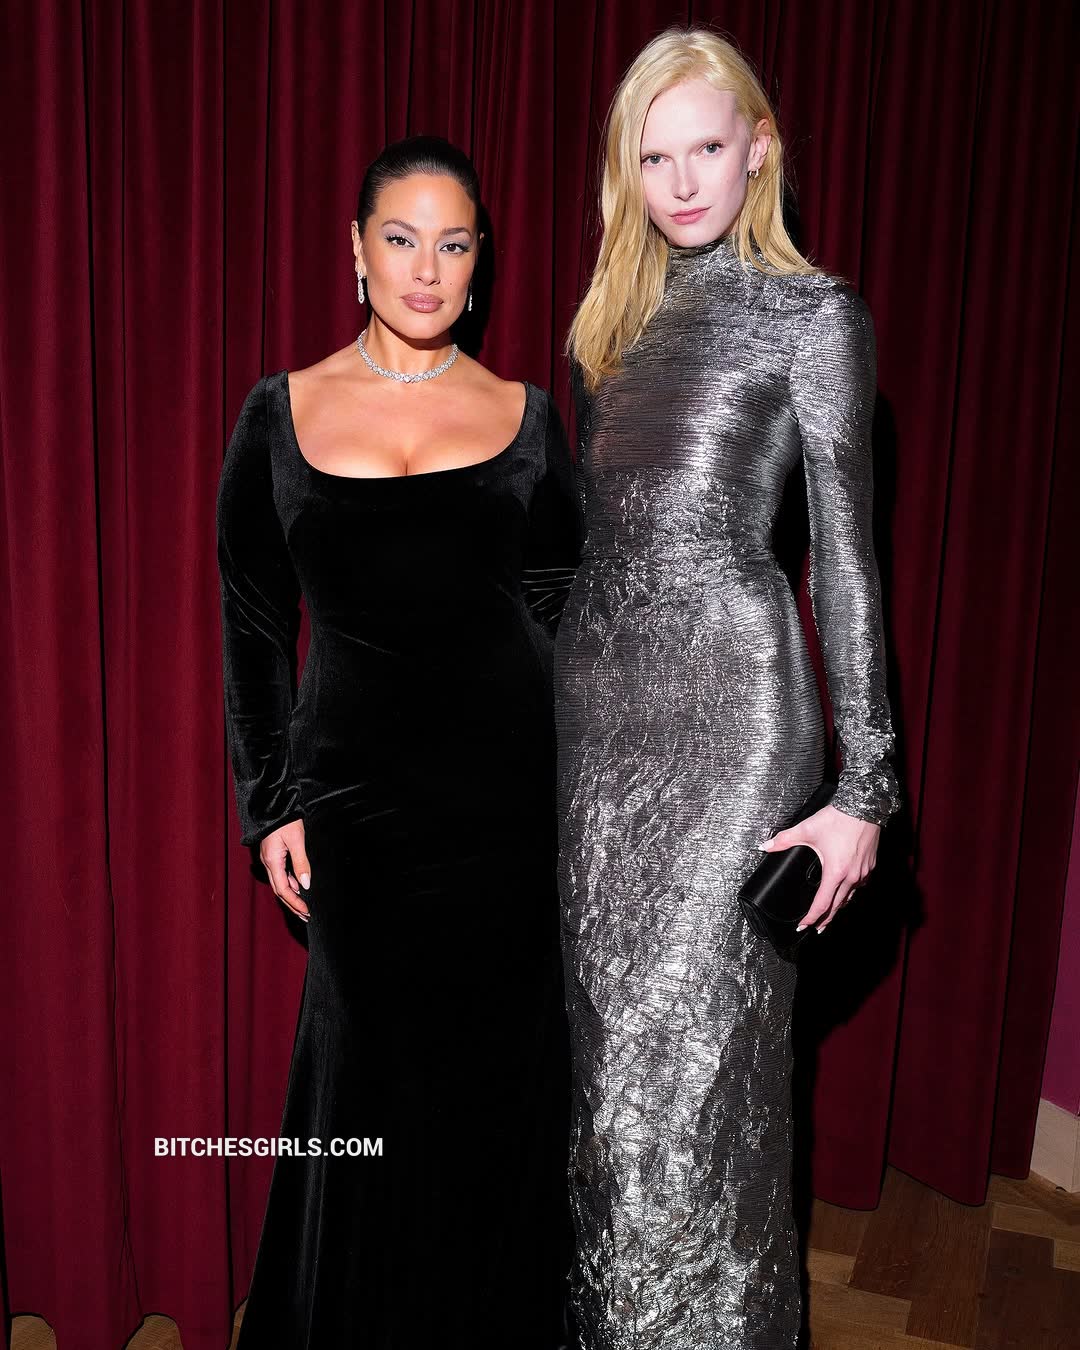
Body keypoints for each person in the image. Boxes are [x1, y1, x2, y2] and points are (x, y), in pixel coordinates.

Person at [554, 28, 903, 1350]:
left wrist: (865, 788)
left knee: (706, 1074)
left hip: (734, 727)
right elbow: (591, 552)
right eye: (655, 158)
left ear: (760, 147)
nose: (684, 180)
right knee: (609, 1084)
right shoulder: (607, 329)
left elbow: (845, 557)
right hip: (595, 732)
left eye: (707, 146)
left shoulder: (816, 316)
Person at [216, 134, 582, 1348]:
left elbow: (563, 608)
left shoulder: (526, 416)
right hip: (359, 818)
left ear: (479, 266)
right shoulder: (280, 411)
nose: (428, 269)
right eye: (402, 238)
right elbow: (254, 624)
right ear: (357, 252)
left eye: (454, 244)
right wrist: (271, 801)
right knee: (364, 1094)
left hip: (508, 815)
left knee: (496, 1097)